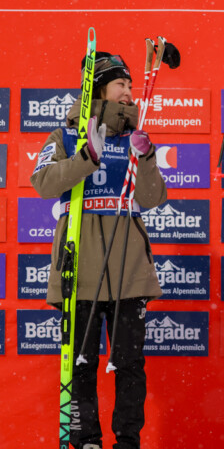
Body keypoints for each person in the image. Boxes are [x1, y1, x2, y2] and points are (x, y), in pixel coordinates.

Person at [31, 52, 167, 449]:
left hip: (130, 269)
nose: (129, 91)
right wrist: (86, 157)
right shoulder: (66, 136)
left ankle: (128, 440)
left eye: (129, 84)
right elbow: (43, 182)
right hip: (80, 266)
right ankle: (86, 439)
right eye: (120, 84)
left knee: (130, 366)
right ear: (99, 89)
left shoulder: (136, 138)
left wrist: (145, 158)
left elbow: (153, 197)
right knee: (80, 364)